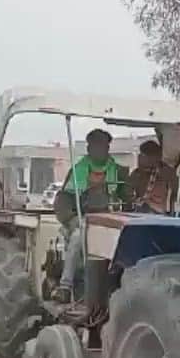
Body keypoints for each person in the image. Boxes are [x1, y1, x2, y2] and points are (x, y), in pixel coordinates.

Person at [52, 128, 127, 302]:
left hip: (112, 221)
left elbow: (127, 198)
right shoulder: (77, 171)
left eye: (105, 146)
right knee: (78, 237)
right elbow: (62, 202)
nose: (102, 150)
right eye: (97, 146)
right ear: (89, 148)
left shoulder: (119, 171)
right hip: (84, 220)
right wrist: (72, 220)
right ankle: (65, 286)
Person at [129, 139, 175, 213]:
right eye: (140, 155)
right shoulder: (136, 174)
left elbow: (174, 194)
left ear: (156, 157)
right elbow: (129, 194)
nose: (139, 158)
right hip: (140, 211)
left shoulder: (166, 172)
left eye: (143, 155)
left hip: (160, 212)